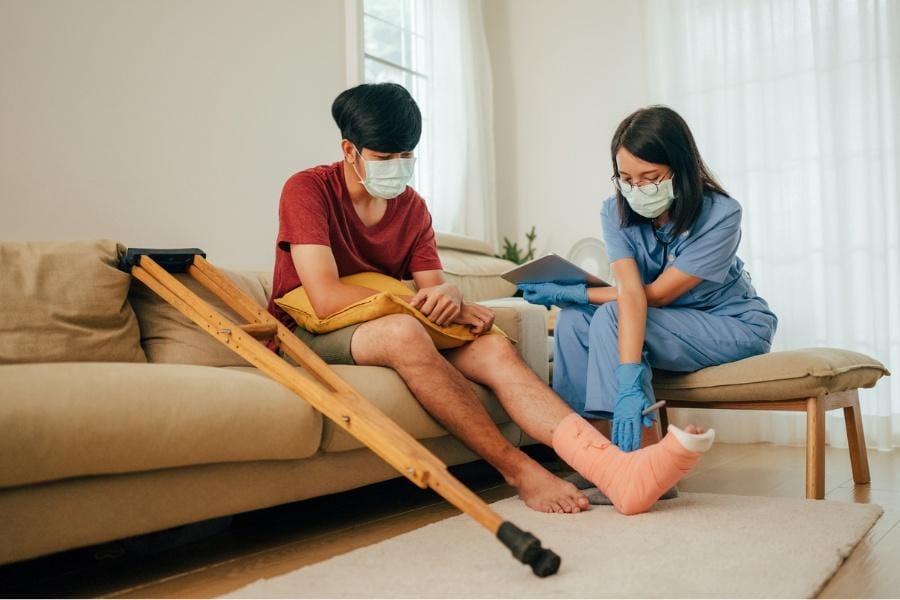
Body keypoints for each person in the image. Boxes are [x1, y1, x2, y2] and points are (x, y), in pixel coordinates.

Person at [268, 85, 717, 515]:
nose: (399, 167)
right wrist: (422, 302)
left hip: (385, 317)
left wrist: (449, 295)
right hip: (310, 330)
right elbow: (324, 297)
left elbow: (433, 288)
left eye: (407, 156)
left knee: (494, 346)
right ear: (350, 151)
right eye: (386, 158)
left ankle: (613, 469)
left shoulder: (412, 207)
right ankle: (521, 471)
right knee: (404, 332)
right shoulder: (308, 190)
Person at [520, 106, 778, 455]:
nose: (636, 188)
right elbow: (629, 290)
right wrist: (577, 300)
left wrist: (581, 292)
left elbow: (654, 295)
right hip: (664, 324)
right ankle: (594, 459)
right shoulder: (615, 211)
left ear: (680, 167)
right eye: (626, 178)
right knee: (573, 320)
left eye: (649, 177)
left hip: (732, 325)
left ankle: (643, 464)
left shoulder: (722, 214)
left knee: (610, 314)